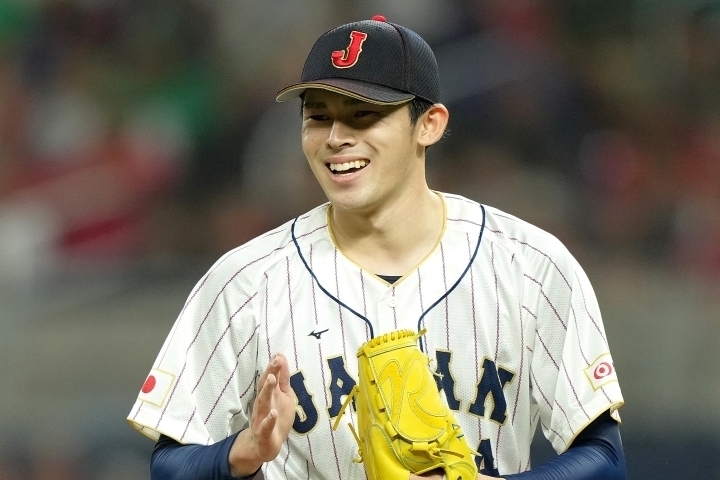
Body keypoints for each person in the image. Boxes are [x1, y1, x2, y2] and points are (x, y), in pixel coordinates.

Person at [128, 15, 626, 480]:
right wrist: (244, 452)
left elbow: (603, 458)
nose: (337, 138)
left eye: (364, 115)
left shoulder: (531, 266)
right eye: (318, 117)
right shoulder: (244, 281)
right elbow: (170, 462)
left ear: (428, 124)